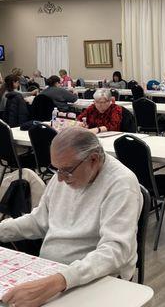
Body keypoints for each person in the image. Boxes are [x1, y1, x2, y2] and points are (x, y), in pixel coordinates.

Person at [0, 127, 142, 307]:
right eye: (56, 169)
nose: (59, 179)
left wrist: (58, 281)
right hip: (54, 270)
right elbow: (39, 221)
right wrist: (2, 230)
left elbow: (114, 251)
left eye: (66, 170)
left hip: (99, 277)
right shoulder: (66, 171)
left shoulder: (121, 184)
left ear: (93, 159)